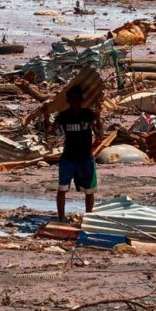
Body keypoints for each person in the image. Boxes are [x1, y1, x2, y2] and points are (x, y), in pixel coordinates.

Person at [43, 86, 102, 222]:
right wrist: (46, 115)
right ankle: (61, 218)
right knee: (62, 188)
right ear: (69, 101)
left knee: (89, 191)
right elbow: (50, 131)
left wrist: (98, 117)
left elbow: (99, 135)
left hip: (85, 158)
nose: (75, 103)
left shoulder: (88, 115)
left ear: (81, 101)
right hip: (68, 157)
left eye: (77, 101)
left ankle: (89, 219)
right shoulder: (63, 116)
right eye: (72, 101)